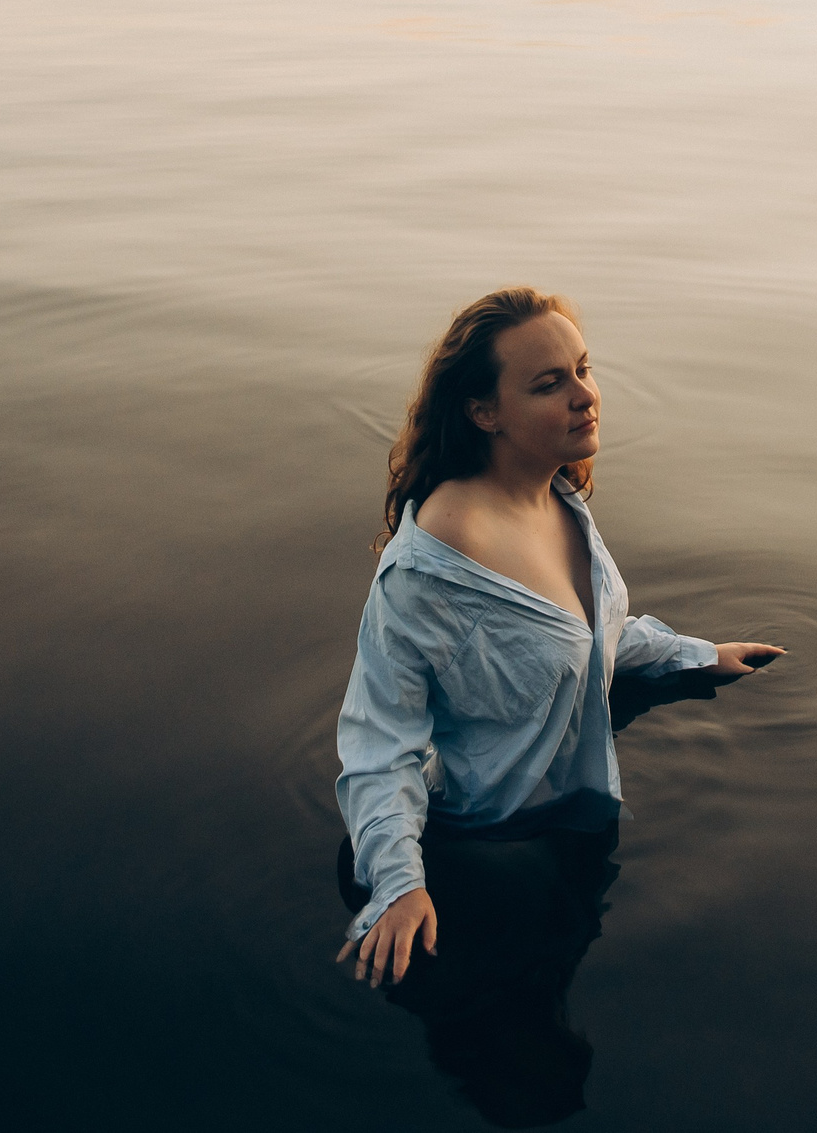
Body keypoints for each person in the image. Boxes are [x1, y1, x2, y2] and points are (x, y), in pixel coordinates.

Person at [335, 287, 784, 991]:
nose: (585, 395)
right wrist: (398, 883)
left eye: (584, 368)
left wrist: (696, 654)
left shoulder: (556, 496)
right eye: (550, 384)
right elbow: (377, 740)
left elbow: (584, 631)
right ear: (485, 412)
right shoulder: (433, 566)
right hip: (486, 843)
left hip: (568, 819)